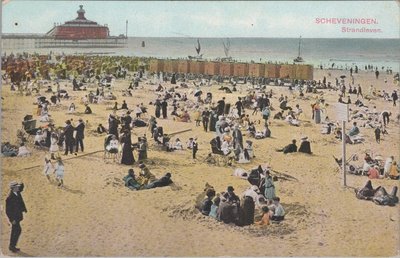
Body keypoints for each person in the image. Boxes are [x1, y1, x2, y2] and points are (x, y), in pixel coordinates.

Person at [6, 181, 27, 253]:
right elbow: (8, 211)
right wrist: (12, 220)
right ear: (13, 188)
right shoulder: (9, 198)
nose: (18, 187)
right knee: (17, 230)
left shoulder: (17, 192)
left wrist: (24, 209)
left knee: (15, 230)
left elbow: (21, 188)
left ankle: (12, 246)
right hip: (14, 218)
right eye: (17, 186)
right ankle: (12, 246)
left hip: (17, 216)